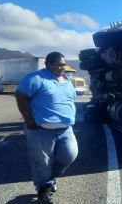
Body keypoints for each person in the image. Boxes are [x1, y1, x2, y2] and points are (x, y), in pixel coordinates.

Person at [15, 52, 78, 203]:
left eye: (64, 64)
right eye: (60, 64)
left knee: (69, 155)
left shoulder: (66, 80)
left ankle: (51, 177)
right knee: (42, 162)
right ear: (48, 64)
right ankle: (44, 189)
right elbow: (20, 95)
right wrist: (28, 119)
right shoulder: (36, 78)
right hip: (41, 130)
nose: (63, 67)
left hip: (65, 129)